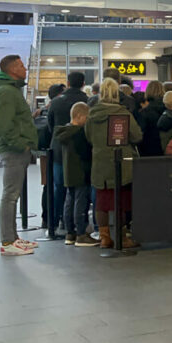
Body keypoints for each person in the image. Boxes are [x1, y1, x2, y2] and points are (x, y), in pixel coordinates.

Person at [85, 78, 143, 249]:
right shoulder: (123, 113)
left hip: (100, 162)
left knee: (102, 202)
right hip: (121, 163)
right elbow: (137, 136)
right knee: (121, 201)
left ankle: (104, 238)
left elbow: (88, 137)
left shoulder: (92, 115)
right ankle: (122, 238)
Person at [0, 55, 39, 256]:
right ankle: (7, 241)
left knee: (13, 195)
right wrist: (21, 145)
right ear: (12, 69)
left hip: (17, 149)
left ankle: (13, 238)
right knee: (10, 195)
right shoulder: (6, 92)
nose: (25, 68)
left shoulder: (12, 90)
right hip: (13, 150)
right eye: (20, 65)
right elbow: (3, 125)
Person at [46, 71, 88, 235]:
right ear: (83, 83)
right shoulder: (86, 101)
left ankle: (57, 222)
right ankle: (79, 225)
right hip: (80, 151)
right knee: (79, 191)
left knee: (60, 188)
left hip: (58, 150)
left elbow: (50, 126)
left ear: (68, 83)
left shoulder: (56, 102)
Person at [52, 102, 97, 247]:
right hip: (81, 171)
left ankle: (70, 232)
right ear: (79, 116)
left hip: (68, 172)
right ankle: (81, 234)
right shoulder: (79, 134)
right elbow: (85, 153)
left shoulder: (64, 132)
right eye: (87, 117)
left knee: (69, 201)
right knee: (81, 202)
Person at [137, 81, 166, 156]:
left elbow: (140, 135)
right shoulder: (168, 110)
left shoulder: (144, 113)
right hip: (167, 151)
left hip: (148, 152)